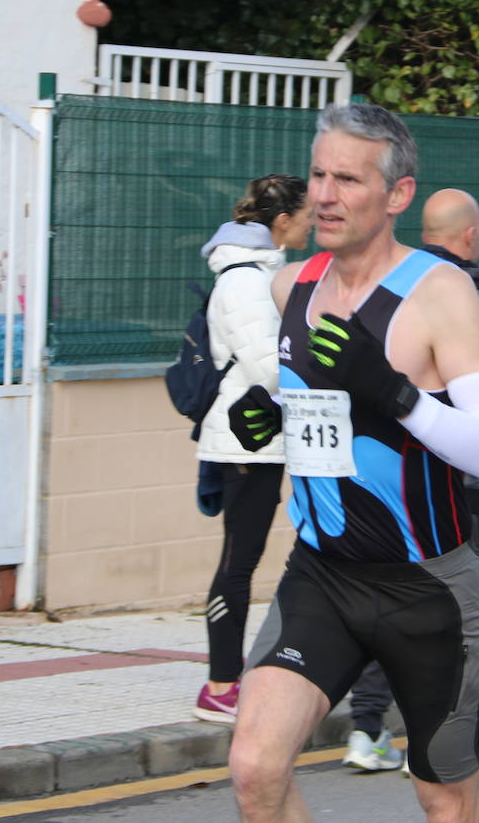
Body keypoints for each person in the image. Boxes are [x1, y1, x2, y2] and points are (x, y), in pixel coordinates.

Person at [225, 104, 479, 822]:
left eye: (347, 179)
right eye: (319, 174)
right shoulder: (290, 286)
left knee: (446, 799)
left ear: (396, 196)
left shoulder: (442, 295)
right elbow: (323, 419)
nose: (323, 194)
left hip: (427, 588)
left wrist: (393, 391)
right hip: (322, 575)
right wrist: (271, 418)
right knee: (254, 768)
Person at [341, 188, 479, 776]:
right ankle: (443, 743)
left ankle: (366, 730)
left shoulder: (386, 288)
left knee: (382, 606)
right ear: (470, 236)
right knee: (454, 618)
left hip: (382, 485)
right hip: (454, 493)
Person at [191, 174, 313, 724]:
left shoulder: (264, 271)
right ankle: (220, 685)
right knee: (239, 563)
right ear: (282, 221)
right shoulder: (243, 279)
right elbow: (270, 366)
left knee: (255, 558)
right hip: (248, 437)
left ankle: (254, 672)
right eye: (307, 214)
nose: (314, 222)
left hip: (266, 435)